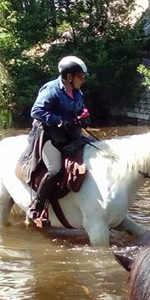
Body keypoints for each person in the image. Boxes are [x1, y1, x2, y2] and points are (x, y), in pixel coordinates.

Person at [23, 55, 90, 225]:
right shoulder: (51, 89)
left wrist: (82, 117)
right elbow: (36, 111)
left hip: (68, 134)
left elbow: (79, 109)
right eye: (81, 77)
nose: (83, 80)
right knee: (55, 169)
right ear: (69, 77)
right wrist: (59, 121)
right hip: (47, 135)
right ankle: (36, 206)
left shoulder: (77, 92)